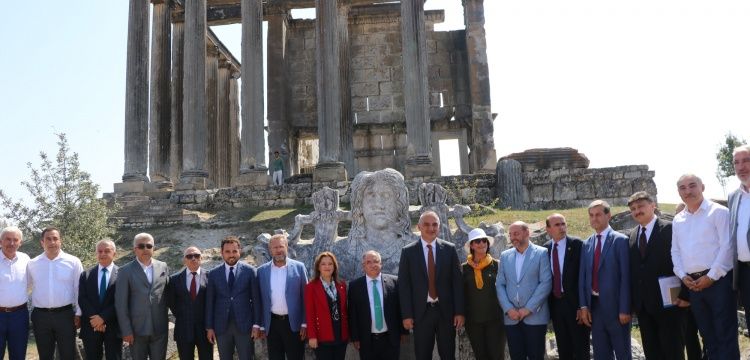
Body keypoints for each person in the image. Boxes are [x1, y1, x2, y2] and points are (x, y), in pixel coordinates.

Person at [671, 174, 738, 359]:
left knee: (725, 335)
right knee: (708, 336)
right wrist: (683, 276)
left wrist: (711, 277)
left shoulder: (718, 212)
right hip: (693, 284)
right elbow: (675, 252)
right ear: (678, 192)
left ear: (703, 187)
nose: (688, 191)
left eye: (692, 186)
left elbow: (727, 247)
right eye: (683, 188)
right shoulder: (678, 220)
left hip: (719, 282)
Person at [626, 191, 686, 359]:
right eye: (633, 208)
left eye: (641, 206)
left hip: (670, 303)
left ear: (653, 206)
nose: (637, 211)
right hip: (644, 306)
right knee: (652, 352)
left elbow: (682, 260)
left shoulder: (670, 228)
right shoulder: (631, 236)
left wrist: (685, 294)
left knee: (673, 350)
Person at [398, 211, 464, 360]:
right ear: (419, 227)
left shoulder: (449, 249)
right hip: (421, 314)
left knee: (448, 355)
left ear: (439, 227)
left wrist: (459, 312)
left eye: (435, 225)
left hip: (445, 313)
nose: (431, 228)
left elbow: (457, 283)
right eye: (426, 224)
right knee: (422, 355)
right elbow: (404, 286)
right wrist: (407, 315)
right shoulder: (408, 252)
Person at [578, 200, 631, 360]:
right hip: (594, 308)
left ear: (608, 215)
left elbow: (626, 277)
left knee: (622, 353)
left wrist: (625, 309)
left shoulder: (620, 241)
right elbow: (583, 277)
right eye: (591, 215)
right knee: (601, 354)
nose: (594, 218)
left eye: (598, 214)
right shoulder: (586, 243)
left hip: (616, 309)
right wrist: (584, 306)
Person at [496, 221, 551, 360]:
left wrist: (528, 308)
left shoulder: (542, 253)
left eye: (516, 233)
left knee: (536, 356)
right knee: (516, 356)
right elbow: (500, 284)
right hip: (511, 318)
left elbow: (545, 282)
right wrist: (508, 309)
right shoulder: (505, 256)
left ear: (527, 233)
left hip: (535, 317)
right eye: (510, 234)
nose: (512, 237)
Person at [27, 226, 84, 360]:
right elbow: (25, 287)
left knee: (68, 354)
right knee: (45, 356)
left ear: (60, 241)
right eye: (48, 239)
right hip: (41, 317)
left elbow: (80, 289)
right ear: (42, 242)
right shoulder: (32, 263)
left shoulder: (73, 261)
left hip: (65, 316)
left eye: (55, 239)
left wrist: (79, 313)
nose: (52, 242)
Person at [115, 233, 170, 360]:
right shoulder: (125, 271)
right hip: (136, 330)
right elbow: (120, 304)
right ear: (135, 249)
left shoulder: (163, 266)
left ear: (153, 248)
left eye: (149, 246)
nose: (145, 249)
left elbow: (167, 294)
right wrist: (126, 330)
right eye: (141, 246)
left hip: (159, 328)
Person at [206, 236, 261, 360]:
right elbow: (210, 302)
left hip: (245, 325)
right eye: (227, 251)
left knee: (246, 357)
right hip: (221, 326)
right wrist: (209, 327)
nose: (231, 255)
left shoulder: (250, 271)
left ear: (239, 251)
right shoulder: (213, 274)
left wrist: (257, 324)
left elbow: (256, 300)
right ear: (222, 253)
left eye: (234, 251)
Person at [543, 214, 589, 360]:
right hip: (556, 305)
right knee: (563, 348)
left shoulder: (577, 245)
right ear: (548, 229)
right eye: (557, 225)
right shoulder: (545, 249)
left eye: (563, 224)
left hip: (575, 305)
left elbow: (584, 277)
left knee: (581, 348)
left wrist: (582, 305)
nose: (562, 227)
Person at [257, 234, 308, 360]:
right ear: (270, 250)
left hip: (294, 324)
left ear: (286, 247)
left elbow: (306, 297)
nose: (278, 250)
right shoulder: (262, 271)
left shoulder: (299, 267)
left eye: (281, 246)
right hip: (272, 325)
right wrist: (262, 325)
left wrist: (304, 323)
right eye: (275, 247)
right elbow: (260, 300)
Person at [348, 250, 405, 360]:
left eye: (376, 261)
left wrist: (403, 331)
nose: (373, 265)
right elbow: (352, 314)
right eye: (368, 262)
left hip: (391, 338)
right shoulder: (355, 286)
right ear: (363, 266)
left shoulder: (394, 282)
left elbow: (400, 308)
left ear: (381, 264)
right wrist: (355, 337)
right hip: (367, 340)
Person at [461, 228, 505, 360]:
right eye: (478, 241)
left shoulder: (498, 265)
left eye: (484, 241)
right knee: (480, 356)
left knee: (497, 355)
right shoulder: (463, 268)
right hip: (473, 321)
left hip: (495, 319)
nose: (482, 244)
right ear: (472, 245)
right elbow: (461, 295)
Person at [78, 239, 122, 360]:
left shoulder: (123, 274)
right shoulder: (85, 275)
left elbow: (121, 300)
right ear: (96, 253)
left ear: (114, 253)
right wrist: (95, 318)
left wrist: (103, 318)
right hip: (91, 326)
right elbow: (82, 299)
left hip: (113, 326)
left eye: (107, 251)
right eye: (99, 251)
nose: (102, 254)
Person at [166, 246, 212, 360]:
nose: (193, 258)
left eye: (196, 256)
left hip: (205, 330)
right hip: (183, 329)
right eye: (189, 256)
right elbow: (172, 303)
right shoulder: (174, 279)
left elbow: (212, 302)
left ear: (201, 258)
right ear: (184, 260)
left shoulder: (210, 277)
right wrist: (184, 315)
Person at [304, 252, 349, 360]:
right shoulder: (311, 287)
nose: (327, 267)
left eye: (330, 264)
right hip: (322, 336)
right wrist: (312, 336)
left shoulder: (341, 285)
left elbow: (345, 310)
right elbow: (310, 314)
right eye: (323, 264)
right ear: (318, 267)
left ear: (334, 266)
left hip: (341, 335)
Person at [674, 203, 705, 360]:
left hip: (701, 291)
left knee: (706, 333)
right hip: (684, 295)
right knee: (689, 336)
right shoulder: (676, 238)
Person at [0, 226, 30, 360]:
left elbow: (31, 284)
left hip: (19, 315)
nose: (11, 243)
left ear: (20, 243)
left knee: (18, 355)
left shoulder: (26, 260)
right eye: (7, 239)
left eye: (15, 240)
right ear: (1, 241)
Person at [732, 145, 750, 333]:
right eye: (737, 162)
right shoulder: (734, 197)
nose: (741, 166)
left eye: (746, 160)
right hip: (744, 273)